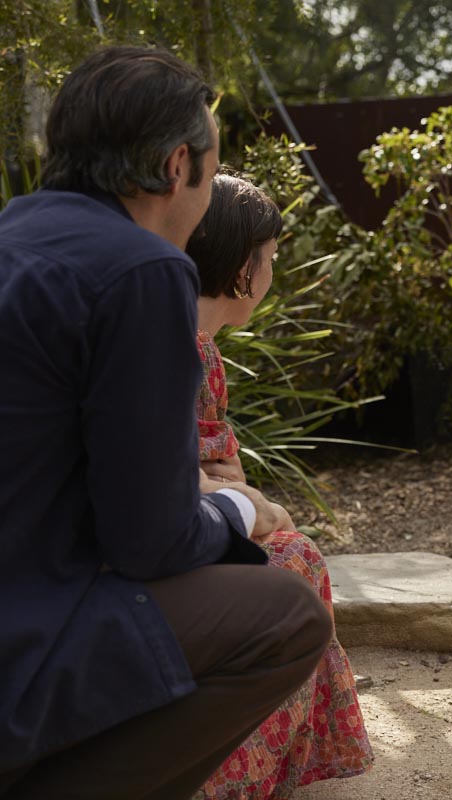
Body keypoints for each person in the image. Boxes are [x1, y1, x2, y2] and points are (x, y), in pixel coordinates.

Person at [0, 47, 332, 798]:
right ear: (177, 166)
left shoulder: (13, 240)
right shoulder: (141, 269)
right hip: (27, 627)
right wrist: (242, 506)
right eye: (214, 179)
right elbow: (151, 542)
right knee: (285, 613)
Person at [186, 173, 374, 796]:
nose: (272, 272)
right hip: (145, 542)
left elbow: (217, 467)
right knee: (295, 561)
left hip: (191, 522)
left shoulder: (200, 349)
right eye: (269, 259)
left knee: (293, 551)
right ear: (244, 271)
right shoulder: (169, 346)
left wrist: (244, 501)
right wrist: (258, 509)